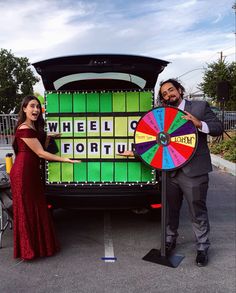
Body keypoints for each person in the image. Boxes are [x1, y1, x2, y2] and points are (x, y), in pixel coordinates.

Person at [158, 78, 223, 267]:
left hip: (194, 171)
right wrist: (137, 151)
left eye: (171, 90)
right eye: (164, 93)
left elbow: (218, 128)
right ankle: (170, 240)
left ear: (179, 90)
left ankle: (202, 247)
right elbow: (154, 137)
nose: (169, 94)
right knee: (171, 209)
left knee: (197, 210)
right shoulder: (164, 113)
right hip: (171, 171)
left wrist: (199, 123)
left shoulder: (200, 107)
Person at [10, 95, 80, 260]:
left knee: (36, 207)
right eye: (32, 106)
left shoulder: (32, 127)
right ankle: (29, 250)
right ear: (24, 108)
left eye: (37, 107)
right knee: (28, 209)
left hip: (31, 171)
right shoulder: (24, 128)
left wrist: (48, 136)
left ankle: (38, 247)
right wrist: (65, 159)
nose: (35, 110)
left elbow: (39, 145)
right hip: (23, 173)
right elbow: (41, 152)